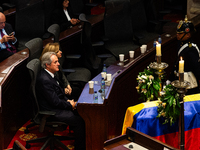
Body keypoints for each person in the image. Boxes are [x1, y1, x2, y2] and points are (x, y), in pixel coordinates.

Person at [36, 52, 86, 150]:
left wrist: (69, 102)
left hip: (56, 106)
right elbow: (55, 102)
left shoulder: (51, 74)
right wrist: (69, 105)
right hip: (51, 112)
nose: (58, 64)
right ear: (47, 65)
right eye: (56, 62)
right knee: (80, 121)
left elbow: (59, 94)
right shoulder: (45, 80)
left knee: (81, 113)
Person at [169, 15, 200, 95]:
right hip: (179, 80)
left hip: (189, 85)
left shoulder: (190, 49)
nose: (177, 35)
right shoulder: (181, 44)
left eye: (180, 33)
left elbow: (196, 68)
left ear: (188, 35)